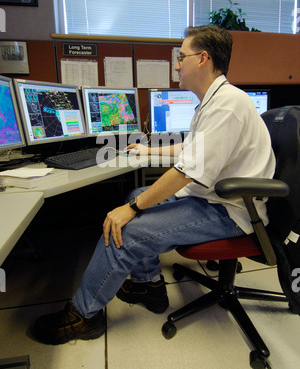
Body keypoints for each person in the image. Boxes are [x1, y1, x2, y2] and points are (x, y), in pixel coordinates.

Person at [33, 25, 275, 345]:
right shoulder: (214, 101)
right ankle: (149, 287)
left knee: (127, 228)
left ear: (203, 58)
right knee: (137, 194)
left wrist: (130, 209)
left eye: (181, 56)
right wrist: (149, 151)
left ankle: (83, 315)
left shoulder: (226, 105)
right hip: (214, 197)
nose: (176, 64)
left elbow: (186, 172)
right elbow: (193, 149)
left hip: (231, 210)